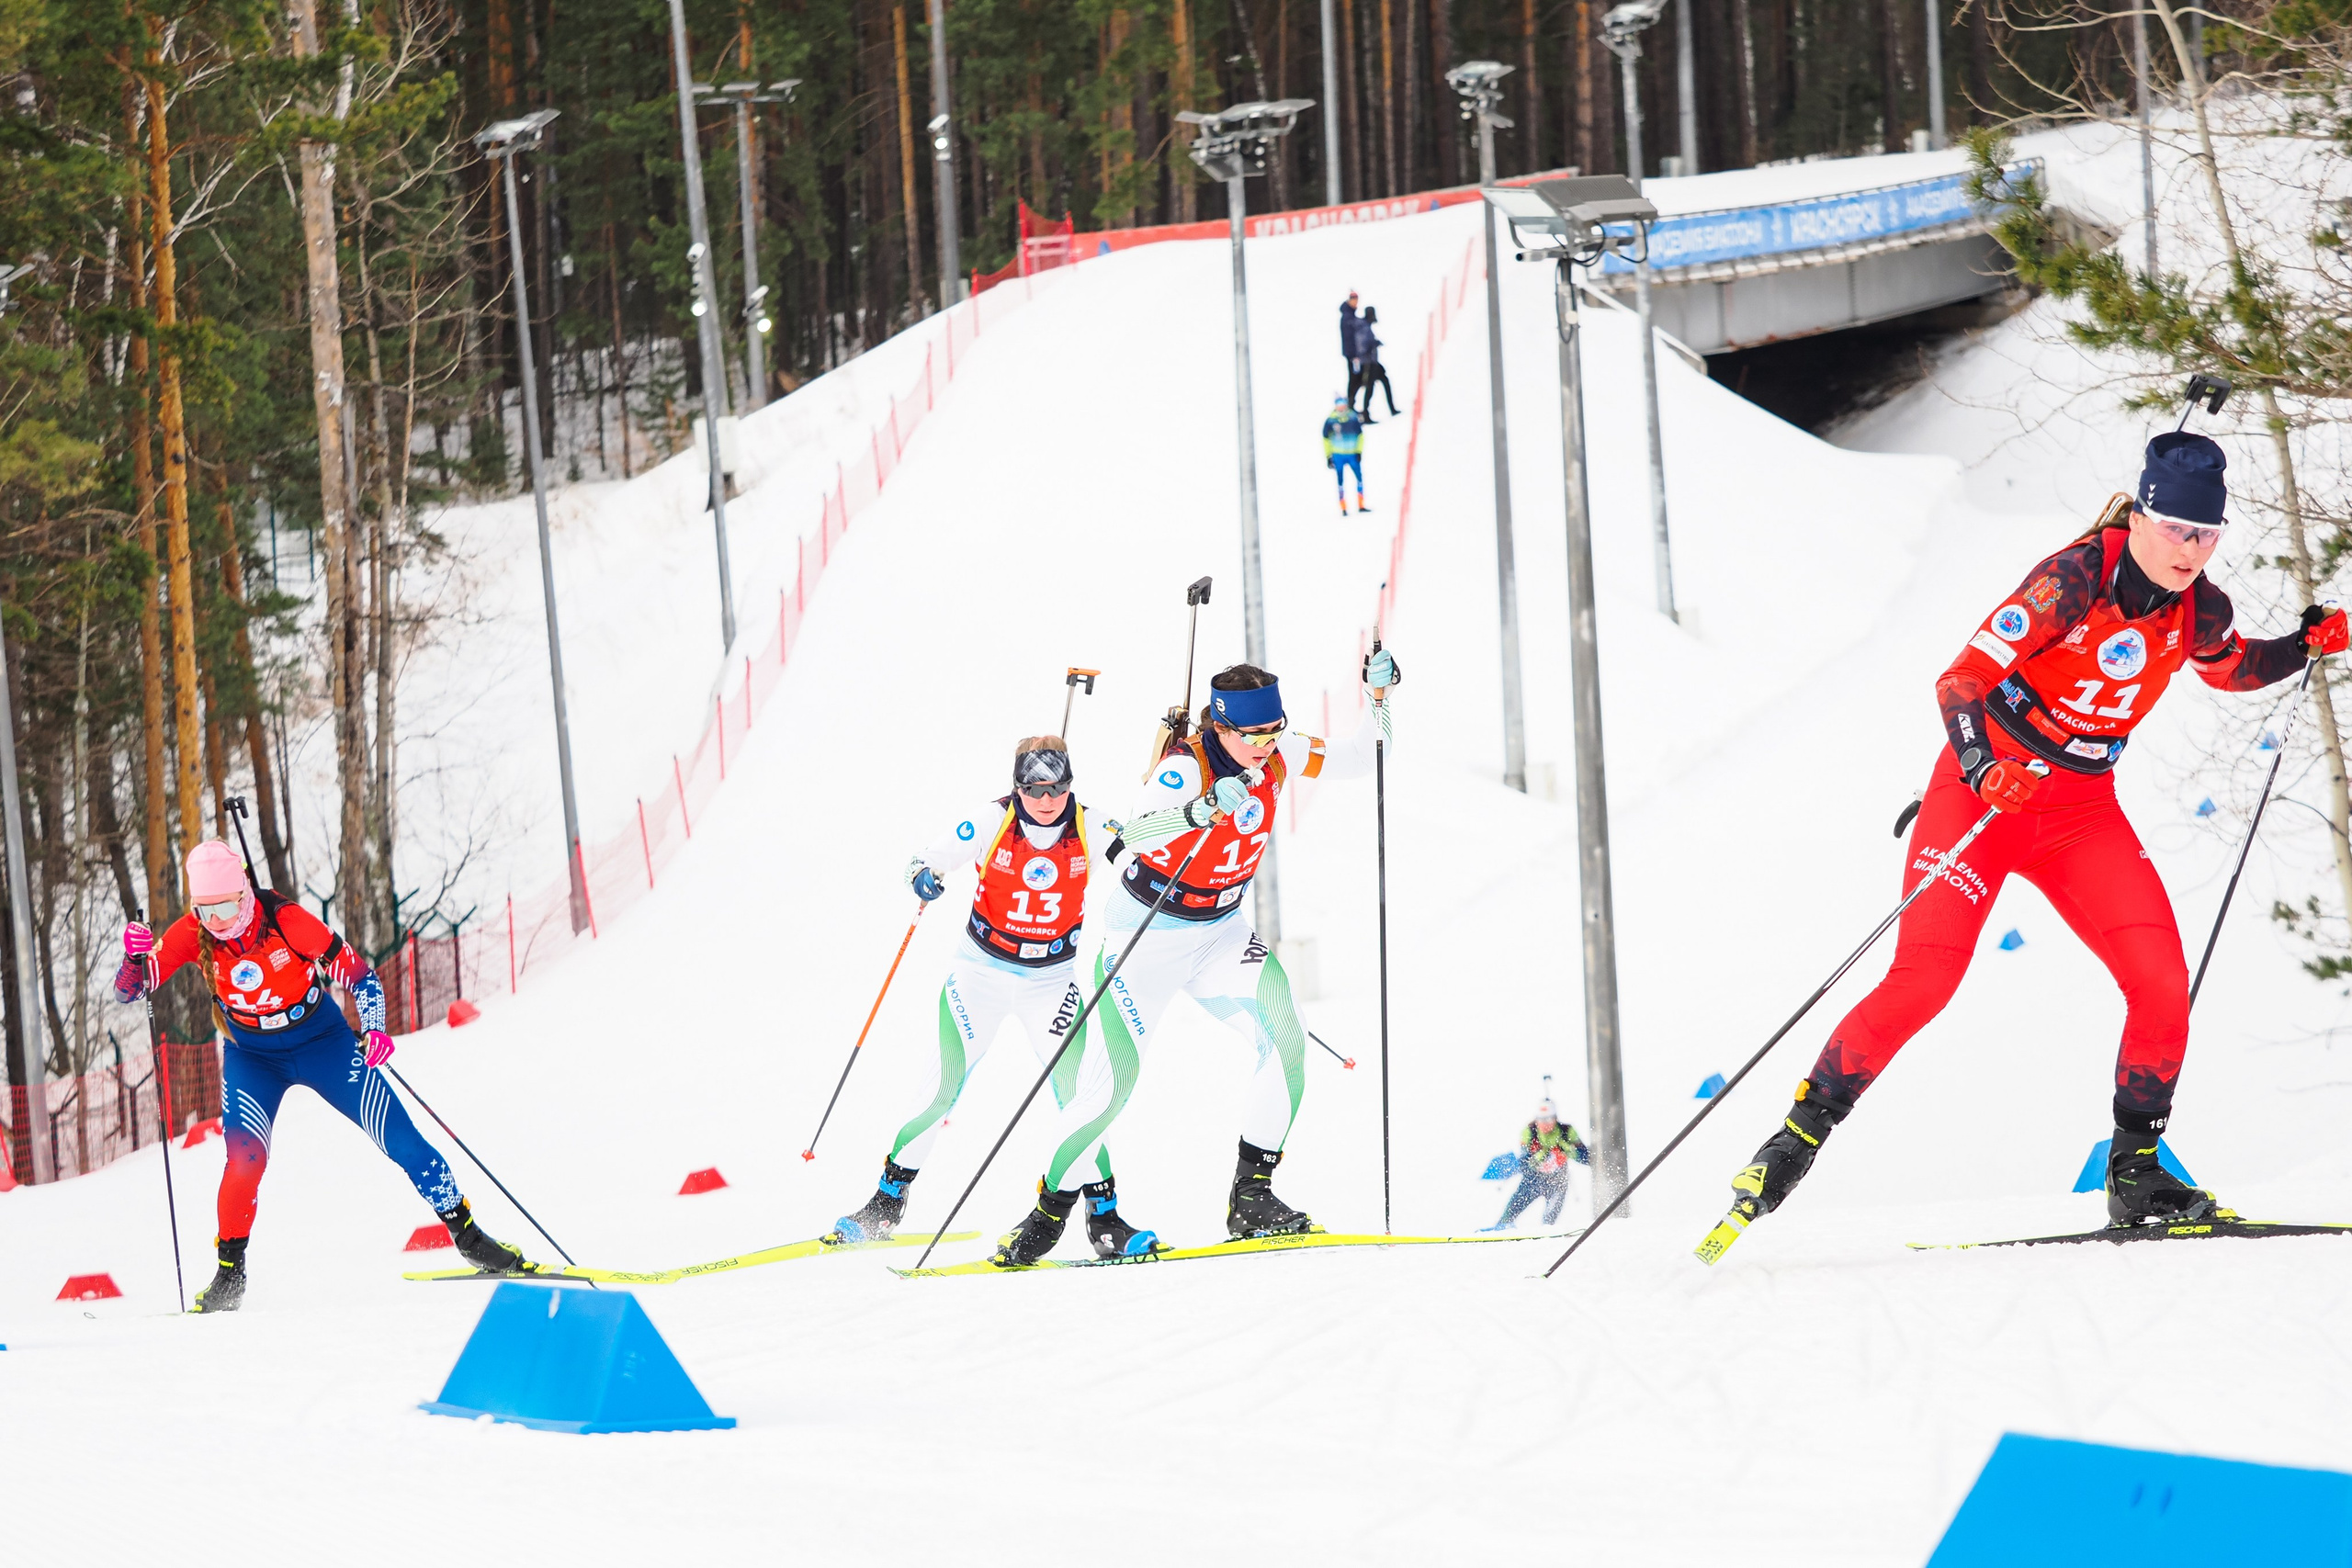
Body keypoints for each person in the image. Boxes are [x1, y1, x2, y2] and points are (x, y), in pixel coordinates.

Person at [1715, 433, 2350, 1246]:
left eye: (2208, 533)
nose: (2192, 549)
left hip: (2080, 811)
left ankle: (2136, 1174)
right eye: (2178, 529)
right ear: (2144, 514)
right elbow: (1961, 679)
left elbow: (2231, 668)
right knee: (1925, 982)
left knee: (2160, 979)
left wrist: (2305, 646)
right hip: (1982, 801)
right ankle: (1793, 1141)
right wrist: (1981, 768)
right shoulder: (2073, 578)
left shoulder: (2201, 608)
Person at [985, 649, 1402, 1266]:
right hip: (1146, 936)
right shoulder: (1184, 768)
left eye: (1273, 730)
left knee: (1283, 1033)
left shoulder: (1280, 751)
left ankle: (1251, 1199)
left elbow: (1362, 755)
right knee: (1111, 1088)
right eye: (1254, 734)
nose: (1266, 745)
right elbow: (1131, 839)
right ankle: (1046, 1217)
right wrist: (1201, 811)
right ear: (1223, 729)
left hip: (1219, 931)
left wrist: (1378, 700)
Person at [114, 840, 525, 1311]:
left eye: (227, 906)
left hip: (321, 1041)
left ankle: (469, 1237)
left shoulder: (286, 920)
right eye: (206, 911)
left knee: (399, 1137)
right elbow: (132, 990)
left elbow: (360, 977)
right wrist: (133, 959)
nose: (219, 921)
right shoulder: (194, 932)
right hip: (253, 1055)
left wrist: (373, 1028)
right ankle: (230, 1274)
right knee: (245, 1162)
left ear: (245, 893)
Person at [827, 738, 1164, 1258]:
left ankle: (1105, 1220)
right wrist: (924, 876)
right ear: (1018, 787)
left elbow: (1139, 861)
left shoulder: (1091, 824)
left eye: (1058, 788)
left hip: (1050, 982)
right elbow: (926, 857)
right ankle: (884, 1205)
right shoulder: (993, 819)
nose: (1047, 800)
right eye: (1035, 789)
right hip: (979, 974)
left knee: (1081, 1096)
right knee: (943, 1087)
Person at [1487, 1100, 1589, 1231]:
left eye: (1548, 1119)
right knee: (1512, 1208)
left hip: (1557, 1182)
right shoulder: (1530, 1131)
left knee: (1549, 1218)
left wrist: (1568, 1150)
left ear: (1555, 1119)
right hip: (1533, 1180)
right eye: (1541, 1119)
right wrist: (1539, 1157)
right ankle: (1500, 1228)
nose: (1544, 1124)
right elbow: (1523, 1163)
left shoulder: (1567, 1131)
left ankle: (1546, 1233)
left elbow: (1586, 1158)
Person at [1323, 395, 1368, 514]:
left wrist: (1359, 451)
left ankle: (1361, 504)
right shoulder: (1331, 420)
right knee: (1340, 481)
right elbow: (1325, 439)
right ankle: (1343, 507)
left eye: (1342, 404)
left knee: (1359, 478)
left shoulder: (1352, 417)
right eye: (1339, 404)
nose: (1341, 407)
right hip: (1338, 454)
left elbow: (1360, 436)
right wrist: (1328, 456)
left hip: (1352, 453)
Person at [1354, 306, 1400, 422]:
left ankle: (1391, 409)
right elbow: (1362, 345)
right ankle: (1366, 414)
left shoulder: (1366, 326)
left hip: (1372, 362)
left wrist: (1375, 343)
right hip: (1368, 363)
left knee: (1382, 382)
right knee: (1370, 388)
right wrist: (1373, 345)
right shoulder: (1363, 327)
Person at [1340, 290, 1368, 414]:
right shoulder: (1348, 317)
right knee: (1354, 378)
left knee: (1356, 378)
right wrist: (1354, 355)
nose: (1356, 302)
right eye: (1354, 299)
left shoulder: (1351, 315)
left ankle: (1351, 403)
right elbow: (1349, 338)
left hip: (1354, 354)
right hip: (1353, 355)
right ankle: (1350, 404)